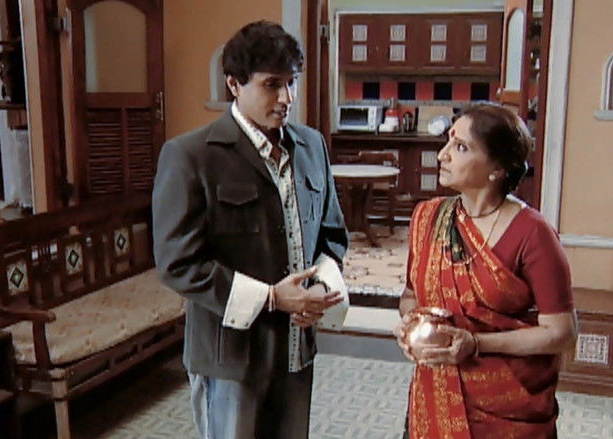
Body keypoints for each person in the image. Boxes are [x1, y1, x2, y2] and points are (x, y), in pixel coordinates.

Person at [152, 20, 349, 439]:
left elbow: (332, 237)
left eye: (291, 82)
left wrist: (319, 288)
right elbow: (177, 263)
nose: (287, 98)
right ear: (234, 84)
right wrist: (272, 298)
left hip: (296, 348)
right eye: (272, 84)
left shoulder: (312, 146)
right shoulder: (191, 156)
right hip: (231, 357)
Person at [394, 102, 576, 438]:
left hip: (505, 408)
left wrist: (476, 343)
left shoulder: (533, 234)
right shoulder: (428, 218)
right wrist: (412, 325)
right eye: (448, 141)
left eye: (461, 147)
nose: (443, 155)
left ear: (497, 168)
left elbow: (561, 333)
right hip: (435, 395)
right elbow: (410, 296)